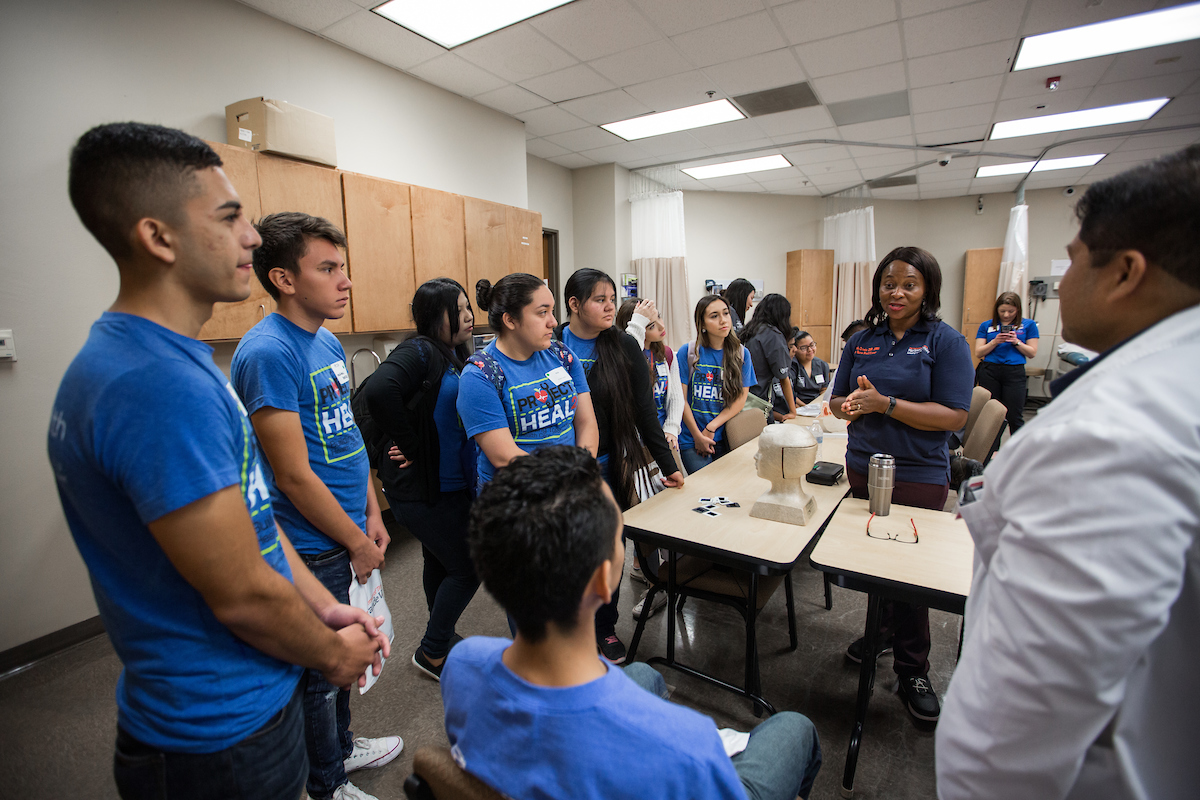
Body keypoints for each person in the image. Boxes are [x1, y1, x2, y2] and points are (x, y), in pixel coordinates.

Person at [49, 122, 387, 800]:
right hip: (217, 733)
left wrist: (327, 609)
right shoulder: (152, 384)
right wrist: (332, 653)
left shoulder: (174, 362)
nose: (254, 237)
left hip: (247, 702)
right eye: (229, 217)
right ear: (158, 236)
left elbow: (256, 521)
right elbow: (241, 591)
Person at [937, 146, 1200, 800]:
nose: (1062, 279)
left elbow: (1018, 722)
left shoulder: (1111, 434)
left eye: (1076, 256)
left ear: (1125, 273)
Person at [442, 445, 823, 800]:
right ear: (603, 579)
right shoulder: (687, 745)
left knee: (643, 673)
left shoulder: (462, 664)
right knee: (795, 728)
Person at [231, 213, 402, 800]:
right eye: (327, 269)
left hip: (350, 526)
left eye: (343, 267)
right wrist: (353, 541)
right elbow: (293, 475)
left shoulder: (325, 339)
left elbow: (347, 440)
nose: (345, 281)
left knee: (347, 658)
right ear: (282, 278)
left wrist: (374, 512)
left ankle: (343, 747)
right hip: (310, 543)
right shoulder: (267, 353)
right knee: (320, 674)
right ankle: (325, 783)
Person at [830, 246, 974, 724]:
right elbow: (836, 401)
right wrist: (848, 407)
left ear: (927, 289)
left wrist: (884, 405)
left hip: (917, 472)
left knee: (913, 574)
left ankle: (915, 668)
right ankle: (885, 629)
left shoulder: (945, 342)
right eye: (889, 283)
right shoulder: (862, 339)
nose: (896, 293)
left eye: (908, 284)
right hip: (862, 467)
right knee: (875, 561)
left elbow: (954, 414)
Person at [555, 271, 683, 662]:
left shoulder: (625, 346)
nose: (611, 306)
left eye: (613, 298)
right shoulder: (553, 344)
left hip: (610, 464)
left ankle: (604, 628)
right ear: (574, 305)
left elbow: (646, 413)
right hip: (561, 469)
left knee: (610, 553)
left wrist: (667, 465)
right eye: (600, 299)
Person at [364, 278, 479, 681]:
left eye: (468, 307)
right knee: (468, 566)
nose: (468, 315)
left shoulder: (451, 354)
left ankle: (440, 637)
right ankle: (432, 650)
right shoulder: (418, 349)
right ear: (435, 316)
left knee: (439, 558)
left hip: (447, 485)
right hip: (422, 489)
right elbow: (379, 391)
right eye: (458, 309)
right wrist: (411, 446)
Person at [457, 273, 598, 487]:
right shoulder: (480, 375)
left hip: (569, 488)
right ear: (510, 320)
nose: (554, 321)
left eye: (552, 311)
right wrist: (562, 481)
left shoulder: (562, 356)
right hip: (516, 500)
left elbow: (587, 423)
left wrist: (581, 473)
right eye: (542, 312)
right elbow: (504, 456)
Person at [678, 295, 756, 474]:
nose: (723, 320)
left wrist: (712, 426)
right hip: (692, 438)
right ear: (702, 324)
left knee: (727, 488)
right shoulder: (688, 352)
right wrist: (698, 435)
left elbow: (740, 399)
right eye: (714, 316)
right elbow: (680, 400)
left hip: (725, 435)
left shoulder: (742, 354)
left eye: (726, 313)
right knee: (704, 490)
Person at [618, 297, 684, 454]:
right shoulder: (622, 356)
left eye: (659, 316)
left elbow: (676, 396)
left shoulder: (666, 354)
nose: (661, 326)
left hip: (663, 434)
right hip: (634, 440)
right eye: (651, 326)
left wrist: (672, 428)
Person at [973, 291, 1039, 434]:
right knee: (989, 414)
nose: (1006, 315)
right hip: (990, 371)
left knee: (1014, 415)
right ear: (997, 309)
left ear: (1018, 310)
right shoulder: (986, 326)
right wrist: (995, 342)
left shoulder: (1028, 325)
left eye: (1011, 311)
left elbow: (1032, 352)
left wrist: (1016, 342)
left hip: (1014, 372)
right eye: (1002, 311)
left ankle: (1017, 451)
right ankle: (990, 452)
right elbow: (979, 352)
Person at [742, 293, 797, 422]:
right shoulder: (773, 335)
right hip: (757, 402)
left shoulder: (749, 330)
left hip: (741, 399)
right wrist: (793, 411)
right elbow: (784, 378)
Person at [790, 329, 831, 407]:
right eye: (804, 348)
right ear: (795, 349)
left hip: (817, 406)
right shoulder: (792, 366)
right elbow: (790, 394)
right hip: (798, 406)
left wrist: (819, 405)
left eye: (812, 345)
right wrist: (806, 407)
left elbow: (824, 389)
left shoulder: (822, 365)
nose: (810, 350)